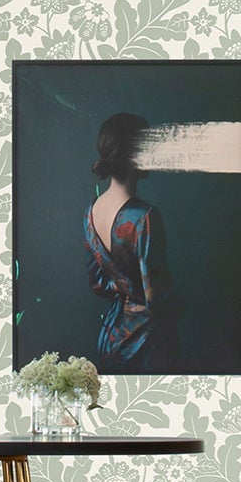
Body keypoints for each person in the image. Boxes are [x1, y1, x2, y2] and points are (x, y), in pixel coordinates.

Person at [84, 111, 178, 371]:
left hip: (111, 335)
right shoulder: (145, 217)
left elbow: (97, 283)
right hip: (146, 344)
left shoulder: (92, 211)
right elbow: (155, 297)